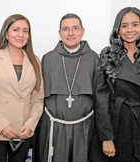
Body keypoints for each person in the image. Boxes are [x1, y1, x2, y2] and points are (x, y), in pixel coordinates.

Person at [89, 7, 140, 162]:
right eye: (124, 25)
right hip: (115, 125)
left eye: (135, 24)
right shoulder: (107, 55)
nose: (129, 30)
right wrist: (106, 137)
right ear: (118, 29)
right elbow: (101, 100)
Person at [33, 13, 112, 162]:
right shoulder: (48, 58)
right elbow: (38, 97)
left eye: (75, 28)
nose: (70, 33)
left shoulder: (94, 59)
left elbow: (102, 100)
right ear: (59, 33)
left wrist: (106, 135)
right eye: (66, 29)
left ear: (82, 31)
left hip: (85, 129)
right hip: (53, 128)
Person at [0, 14, 44, 162]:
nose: (21, 35)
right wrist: (3, 125)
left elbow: (38, 98)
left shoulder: (35, 60)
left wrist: (30, 124)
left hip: (23, 133)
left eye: (25, 31)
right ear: (6, 33)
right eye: (16, 30)